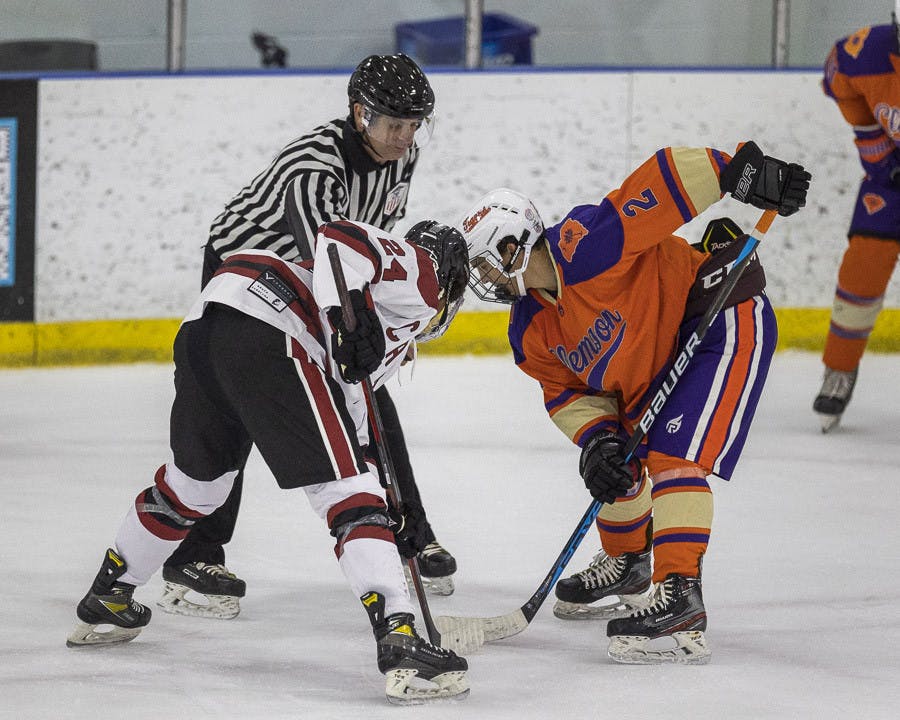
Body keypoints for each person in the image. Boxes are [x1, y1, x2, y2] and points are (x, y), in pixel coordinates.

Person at [66, 219, 471, 705]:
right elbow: (340, 238)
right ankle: (401, 638)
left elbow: (354, 433)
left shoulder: (385, 342)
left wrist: (390, 509)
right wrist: (354, 314)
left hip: (208, 325)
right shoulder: (422, 272)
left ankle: (111, 592)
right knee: (346, 493)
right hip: (271, 321)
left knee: (195, 488)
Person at [458, 142, 810, 664]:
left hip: (717, 321)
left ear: (513, 247)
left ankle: (680, 597)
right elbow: (563, 392)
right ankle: (628, 562)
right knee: (613, 462)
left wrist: (740, 170)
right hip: (655, 370)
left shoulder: (584, 246)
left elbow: (661, 183)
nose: (483, 278)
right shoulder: (528, 327)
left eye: (486, 263)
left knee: (674, 458)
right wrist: (596, 438)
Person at [160, 53, 458, 620]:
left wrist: (370, 318)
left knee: (370, 390)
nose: (404, 136)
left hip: (317, 275)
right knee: (238, 408)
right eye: (394, 123)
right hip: (244, 278)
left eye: (414, 124)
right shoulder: (314, 167)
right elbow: (325, 254)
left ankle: (409, 534)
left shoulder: (402, 154)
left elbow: (364, 245)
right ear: (358, 113)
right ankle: (194, 555)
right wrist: (355, 320)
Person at [813, 12, 900, 432]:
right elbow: (837, 76)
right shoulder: (866, 52)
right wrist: (874, 145)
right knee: (861, 272)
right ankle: (840, 370)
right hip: (889, 181)